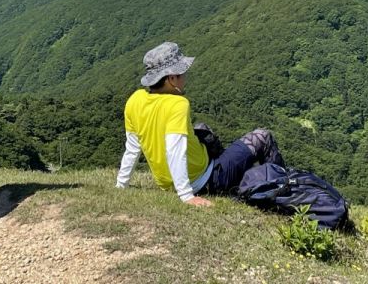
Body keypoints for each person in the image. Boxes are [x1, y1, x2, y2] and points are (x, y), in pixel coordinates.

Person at [116, 41, 284, 206]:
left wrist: (121, 185)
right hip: (206, 181)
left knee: (201, 129)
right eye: (183, 74)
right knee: (263, 137)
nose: (185, 78)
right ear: (171, 78)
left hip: (168, 184)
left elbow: (133, 147)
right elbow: (174, 151)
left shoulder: (135, 99)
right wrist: (187, 196)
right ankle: (280, 193)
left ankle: (242, 179)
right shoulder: (177, 104)